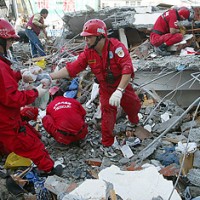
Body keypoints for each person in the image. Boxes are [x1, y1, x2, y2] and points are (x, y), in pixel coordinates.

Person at [46, 19, 141, 150]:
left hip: (121, 85)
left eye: (89, 37)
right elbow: (72, 69)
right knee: (107, 115)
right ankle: (107, 143)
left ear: (100, 36)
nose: (86, 40)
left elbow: (127, 69)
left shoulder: (116, 47)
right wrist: (49, 76)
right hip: (106, 88)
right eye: (85, 37)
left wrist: (119, 91)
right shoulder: (88, 53)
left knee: (133, 105)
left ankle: (134, 120)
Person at [0, 18, 62, 176]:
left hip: (4, 120)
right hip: (6, 122)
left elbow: (3, 84)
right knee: (32, 145)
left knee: (24, 135)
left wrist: (19, 75)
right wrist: (36, 92)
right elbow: (12, 98)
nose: (10, 46)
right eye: (8, 42)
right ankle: (50, 171)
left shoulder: (3, 67)